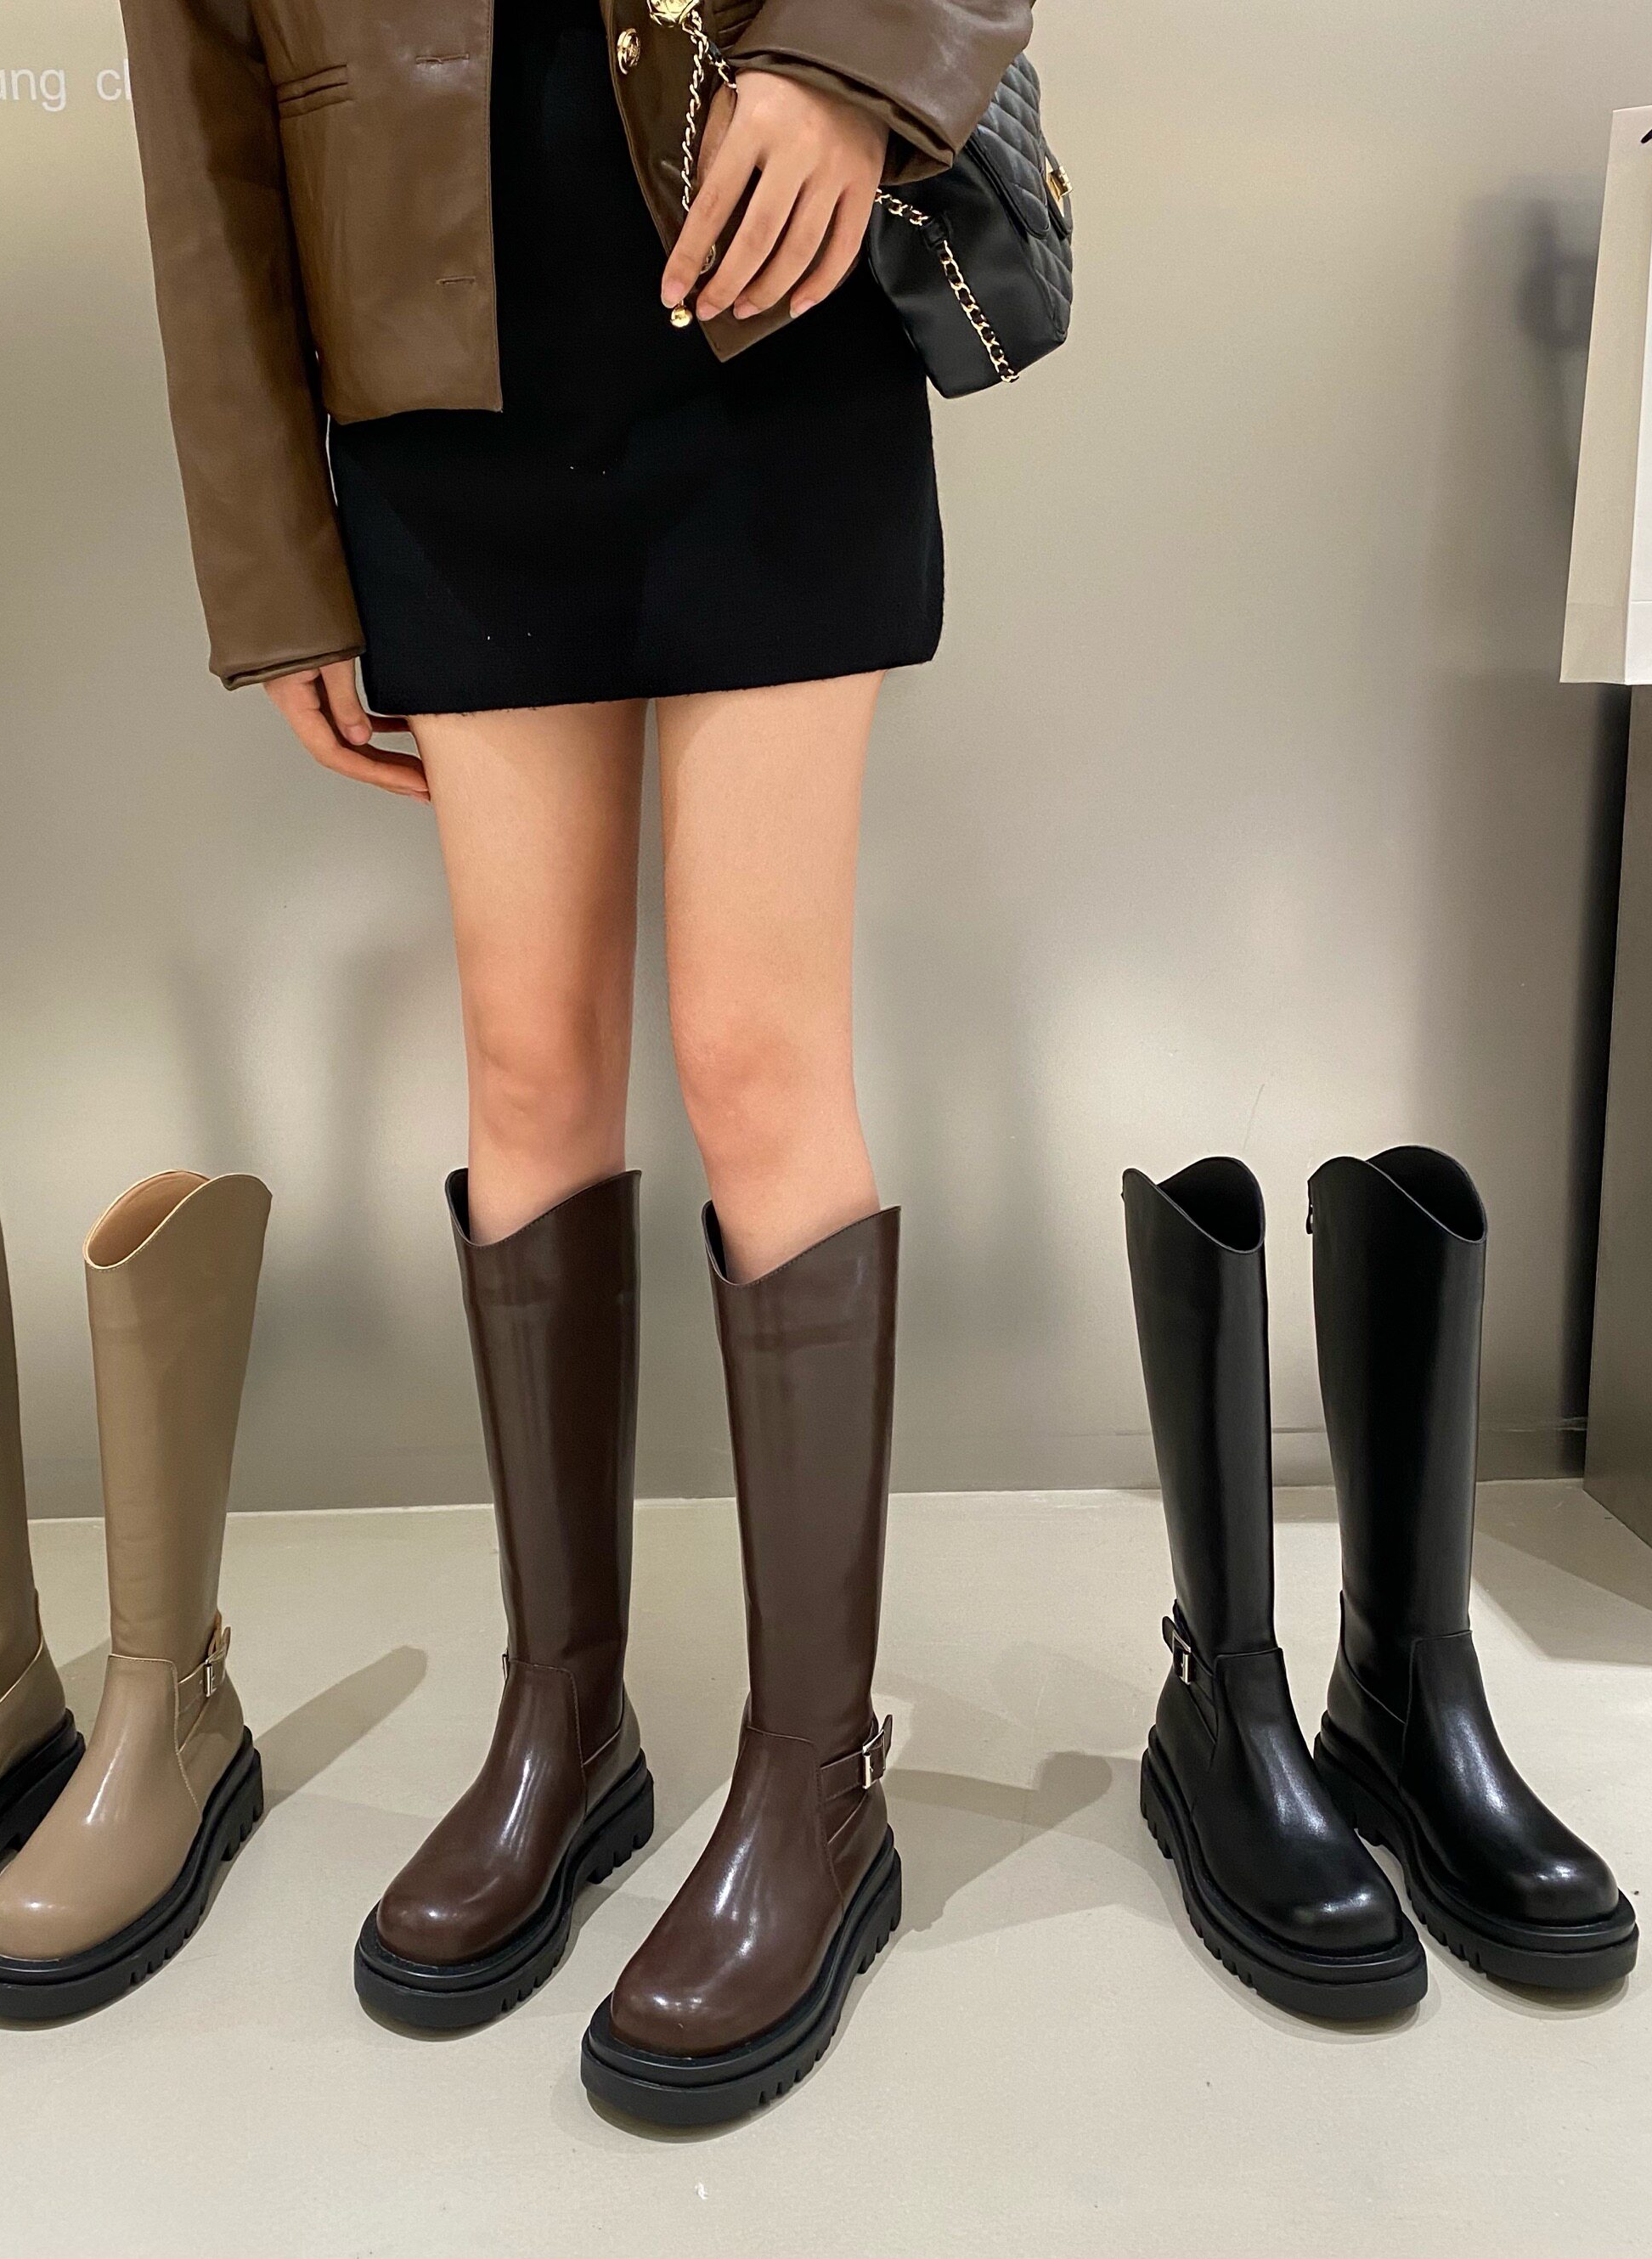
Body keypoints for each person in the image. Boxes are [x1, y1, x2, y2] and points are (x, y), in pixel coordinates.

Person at [116, 0, 1030, 2125]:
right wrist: (270, 569)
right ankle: (566, 1718)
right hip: (434, 397)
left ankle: (815, 1786)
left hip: (765, 317)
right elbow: (203, 142)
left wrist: (851, 67)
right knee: (526, 1065)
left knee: (754, 1057)